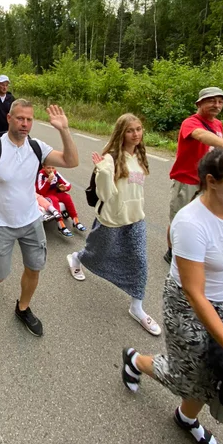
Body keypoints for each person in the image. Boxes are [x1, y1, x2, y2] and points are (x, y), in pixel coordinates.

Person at [122, 148, 223, 444]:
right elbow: (195, 294)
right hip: (186, 307)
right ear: (212, 181)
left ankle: (185, 418)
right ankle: (135, 360)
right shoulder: (190, 222)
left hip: (222, 302)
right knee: (187, 376)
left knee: (213, 372)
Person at [0, 100, 79, 337]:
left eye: (29, 119)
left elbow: (71, 162)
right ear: (9, 118)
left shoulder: (37, 148)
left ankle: (23, 308)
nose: (25, 124)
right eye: (20, 118)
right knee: (0, 274)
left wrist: (64, 130)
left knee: (35, 267)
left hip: (31, 222)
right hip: (0, 225)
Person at [67, 114, 161, 333]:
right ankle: (76, 257)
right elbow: (106, 194)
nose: (136, 134)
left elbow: (137, 188)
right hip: (112, 219)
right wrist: (103, 172)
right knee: (97, 253)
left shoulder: (140, 155)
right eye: (131, 130)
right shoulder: (109, 159)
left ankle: (137, 306)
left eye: (139, 129)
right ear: (122, 133)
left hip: (136, 218)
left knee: (139, 259)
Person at [164, 86, 223, 263]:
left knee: (207, 218)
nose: (217, 105)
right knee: (179, 218)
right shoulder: (190, 122)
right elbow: (201, 135)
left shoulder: (218, 125)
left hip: (209, 182)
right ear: (200, 103)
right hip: (187, 180)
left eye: (220, 102)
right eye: (212, 100)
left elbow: (214, 150)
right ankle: (172, 252)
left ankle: (199, 250)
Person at [36, 163, 87, 237]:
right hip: (45, 195)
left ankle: (75, 220)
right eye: (48, 168)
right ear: (43, 167)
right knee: (54, 200)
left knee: (67, 197)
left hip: (54, 192)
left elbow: (67, 184)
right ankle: (60, 224)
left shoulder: (56, 173)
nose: (51, 170)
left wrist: (65, 187)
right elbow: (41, 191)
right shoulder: (41, 175)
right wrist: (48, 181)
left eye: (53, 167)